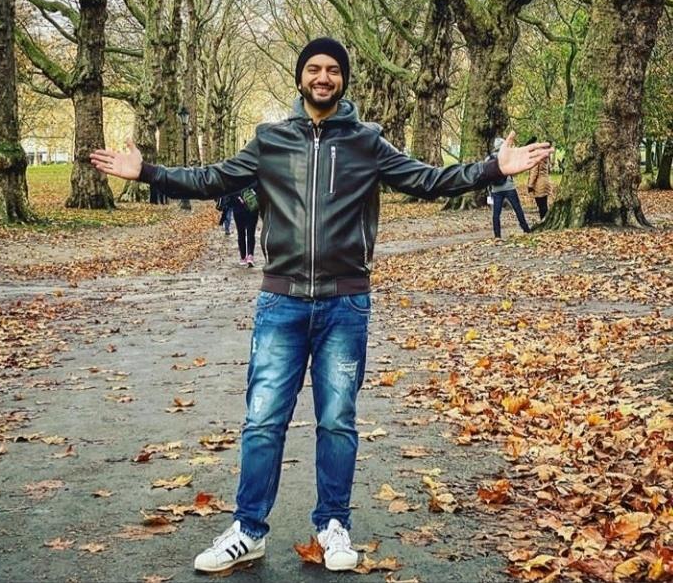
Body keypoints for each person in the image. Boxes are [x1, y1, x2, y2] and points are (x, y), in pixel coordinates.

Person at [90, 37, 552, 574]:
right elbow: (211, 178)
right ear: (301, 78)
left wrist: (494, 168)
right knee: (263, 421)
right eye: (314, 68)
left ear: (343, 79)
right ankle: (248, 529)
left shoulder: (366, 142)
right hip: (281, 302)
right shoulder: (270, 140)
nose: (324, 77)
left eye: (333, 69)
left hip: (344, 303)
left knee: (337, 421)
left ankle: (333, 524)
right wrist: (148, 172)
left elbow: (428, 180)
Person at [488, 136, 532, 239]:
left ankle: (497, 235)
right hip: (509, 187)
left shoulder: (489, 158)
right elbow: (514, 172)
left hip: (495, 190)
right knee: (517, 209)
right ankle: (526, 229)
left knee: (496, 213)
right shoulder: (507, 157)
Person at [231, 185, 259, 267]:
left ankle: (244, 257)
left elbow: (230, 192)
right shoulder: (254, 179)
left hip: (242, 208)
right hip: (250, 207)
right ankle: (249, 256)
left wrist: (238, 197)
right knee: (249, 233)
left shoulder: (234, 179)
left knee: (242, 233)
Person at [526, 137, 552, 219]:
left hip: (539, 184)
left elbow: (534, 172)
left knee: (541, 206)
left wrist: (530, 185)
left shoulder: (537, 156)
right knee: (544, 204)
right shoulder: (544, 154)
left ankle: (544, 221)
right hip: (545, 182)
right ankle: (545, 220)